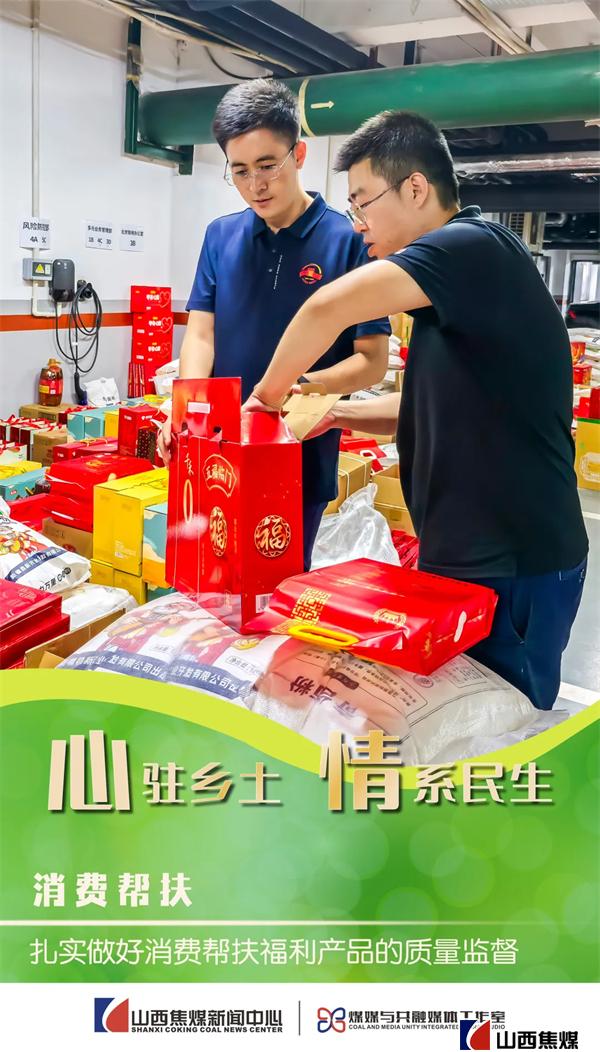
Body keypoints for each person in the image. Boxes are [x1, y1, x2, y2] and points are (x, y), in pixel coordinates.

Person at [247, 110, 588, 711]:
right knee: (457, 725)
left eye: (363, 202)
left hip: (514, 560)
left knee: (502, 725)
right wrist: (338, 415)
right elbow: (433, 403)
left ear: (414, 188)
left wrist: (261, 401)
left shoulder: (471, 246)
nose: (357, 223)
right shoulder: (456, 282)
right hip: (470, 554)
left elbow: (326, 308)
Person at [158, 78, 390, 570]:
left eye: (268, 166)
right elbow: (201, 334)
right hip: (215, 448)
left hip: (297, 453)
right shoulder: (220, 236)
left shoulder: (347, 239)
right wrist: (183, 410)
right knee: (207, 584)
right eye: (240, 171)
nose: (255, 185)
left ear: (299, 154)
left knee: (277, 589)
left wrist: (294, 391)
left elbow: (371, 361)